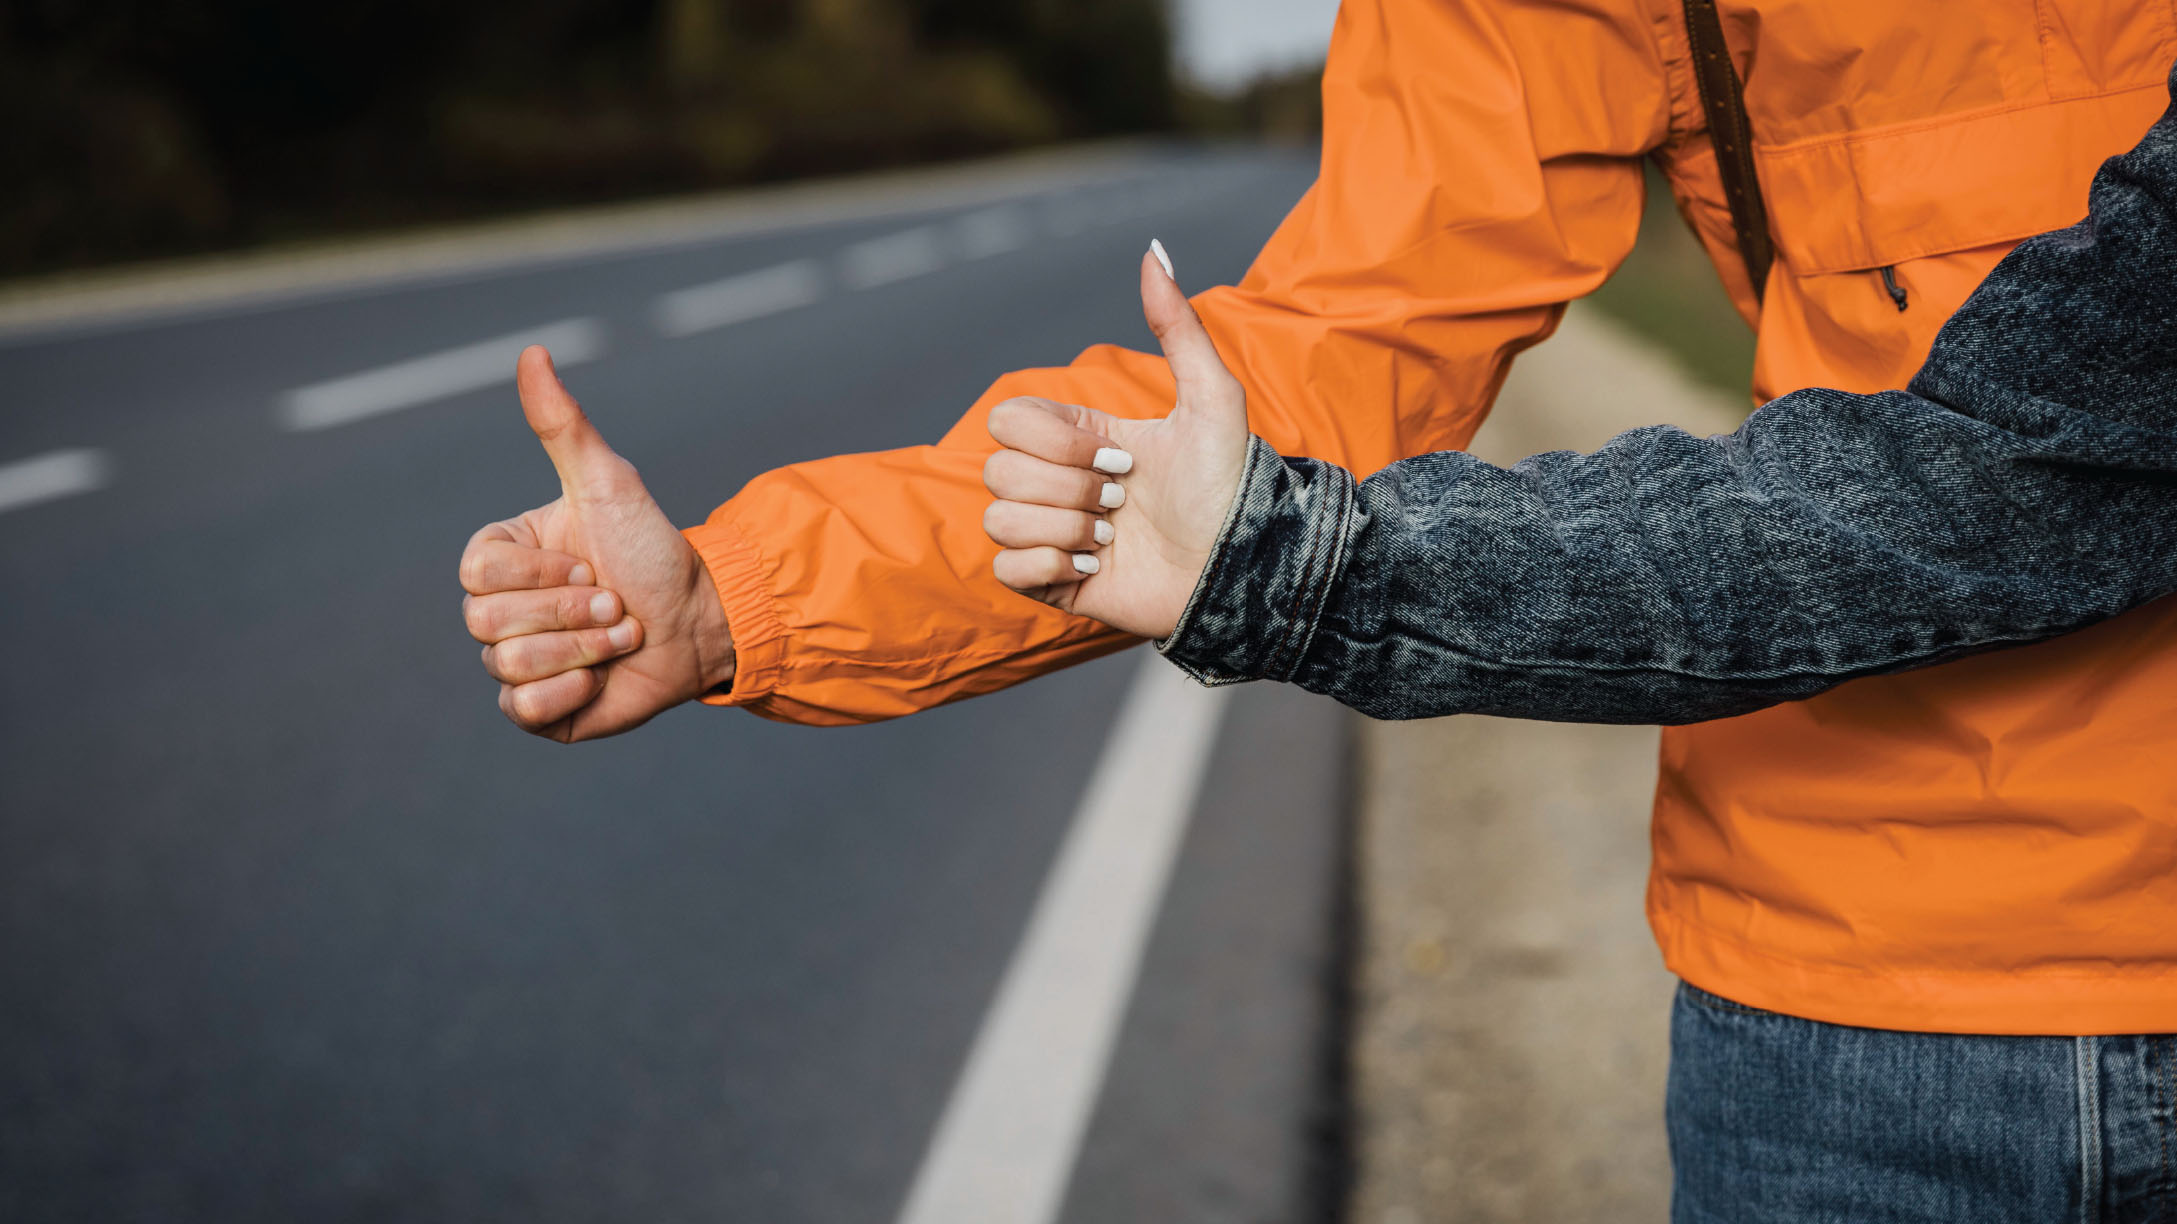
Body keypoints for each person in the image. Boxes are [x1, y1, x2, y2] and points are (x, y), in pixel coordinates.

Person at [458, 1, 2177, 1216]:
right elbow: (1338, 337)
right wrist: (750, 590)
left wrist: (1314, 569)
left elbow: (2036, 459)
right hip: (1872, 991)